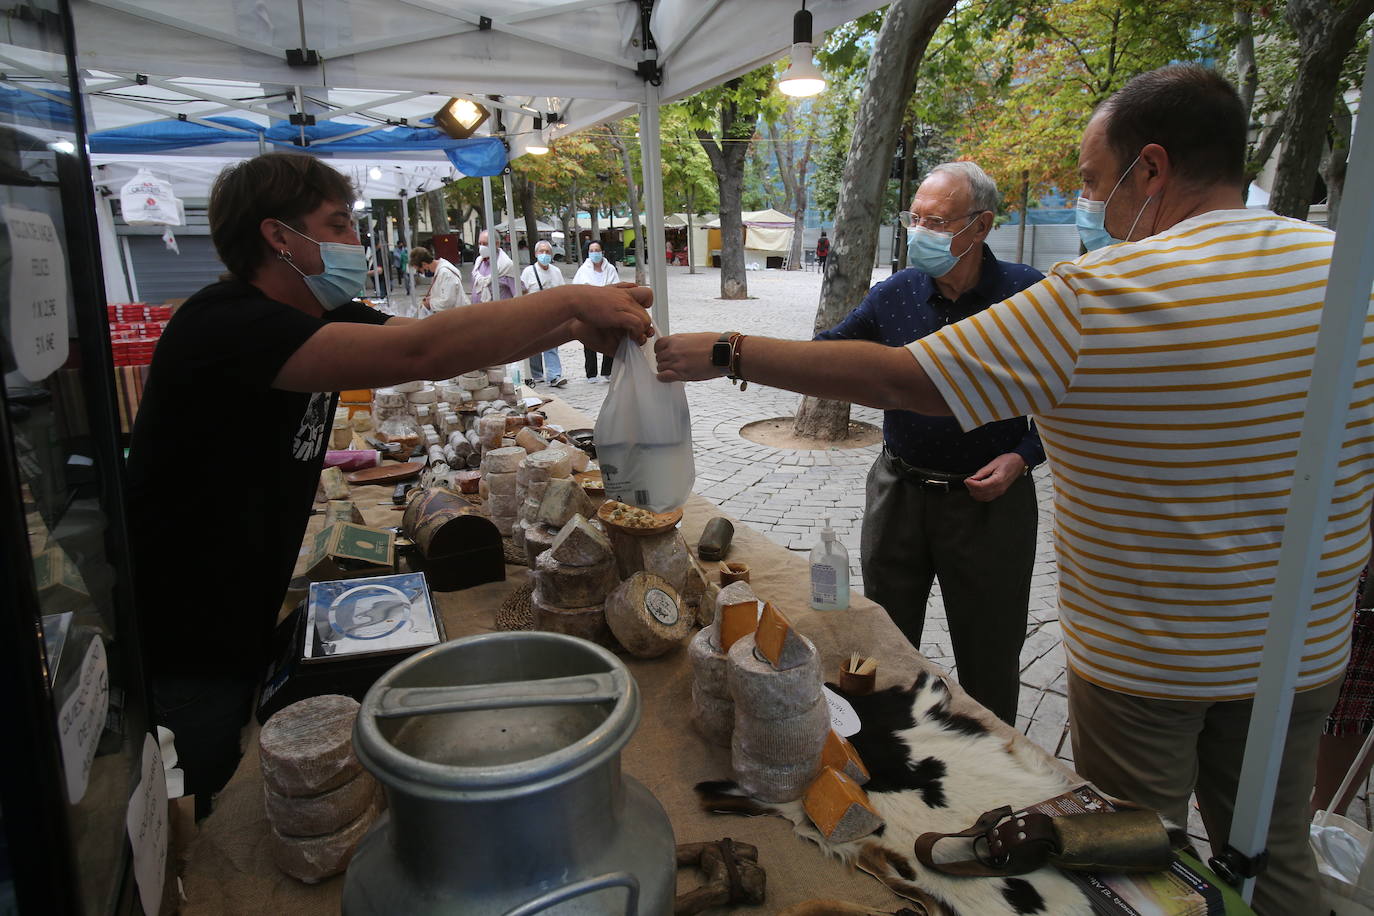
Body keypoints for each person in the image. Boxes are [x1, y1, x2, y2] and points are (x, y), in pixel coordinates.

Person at [654, 65, 1374, 915]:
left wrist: (732, 348)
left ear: (1152, 169)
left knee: (1131, 853)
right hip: (1300, 653)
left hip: (1148, 662)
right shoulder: (1352, 271)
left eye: (1095, 181)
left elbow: (908, 378)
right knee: (1275, 850)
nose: (1091, 202)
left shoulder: (1102, 294)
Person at [125, 153, 652, 816]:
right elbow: (417, 357)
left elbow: (436, 338)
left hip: (240, 605)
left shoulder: (321, 311)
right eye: (338, 224)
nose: (355, 241)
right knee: (209, 809)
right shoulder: (226, 325)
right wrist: (573, 296)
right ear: (278, 237)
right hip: (186, 628)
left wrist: (572, 329)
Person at [816, 161, 1044, 725]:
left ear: (981, 226)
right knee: (885, 636)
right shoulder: (895, 294)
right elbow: (830, 354)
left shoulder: (1028, 296)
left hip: (990, 504)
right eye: (913, 218)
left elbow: (1074, 397)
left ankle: (996, 770)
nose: (919, 232)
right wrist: (740, 354)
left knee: (990, 649)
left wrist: (1023, 455)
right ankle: (888, 740)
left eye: (936, 222)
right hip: (901, 490)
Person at [521, 239, 568, 387]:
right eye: (541, 251)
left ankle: (554, 375)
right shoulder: (528, 272)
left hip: (552, 316)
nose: (544, 254)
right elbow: (522, 293)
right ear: (536, 254)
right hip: (533, 315)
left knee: (551, 345)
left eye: (547, 252)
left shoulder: (556, 272)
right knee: (534, 346)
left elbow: (563, 293)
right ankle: (536, 374)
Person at [574, 241, 621, 382]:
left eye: (597, 250)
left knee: (609, 339)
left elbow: (616, 286)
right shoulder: (583, 270)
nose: (595, 253)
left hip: (607, 309)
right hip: (590, 310)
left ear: (602, 252)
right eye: (592, 250)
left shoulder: (610, 269)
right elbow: (577, 289)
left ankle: (608, 370)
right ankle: (591, 373)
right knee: (589, 340)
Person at [409, 246, 468, 312]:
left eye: (419, 270)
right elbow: (442, 294)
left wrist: (429, 304)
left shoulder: (445, 273)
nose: (421, 273)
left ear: (424, 264)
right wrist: (431, 299)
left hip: (458, 316)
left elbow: (448, 302)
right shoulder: (438, 272)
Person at [471, 228, 516, 303]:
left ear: (497, 244)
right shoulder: (478, 262)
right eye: (480, 244)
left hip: (499, 312)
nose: (481, 247)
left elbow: (518, 292)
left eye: (485, 244)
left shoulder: (506, 265)